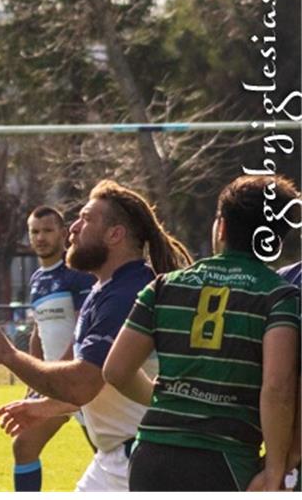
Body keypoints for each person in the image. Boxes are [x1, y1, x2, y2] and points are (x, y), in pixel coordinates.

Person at [0, 180, 194, 492]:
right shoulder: (107, 288)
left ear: (115, 235)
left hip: (144, 459)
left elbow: (83, 383)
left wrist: (9, 355)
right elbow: (96, 385)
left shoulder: (126, 295)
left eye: (86, 219)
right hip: (120, 458)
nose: (72, 228)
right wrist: (45, 407)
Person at [102, 175, 301, 491]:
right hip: (224, 460)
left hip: (151, 455)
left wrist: (173, 398)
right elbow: (278, 387)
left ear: (221, 227)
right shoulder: (278, 297)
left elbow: (115, 371)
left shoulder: (164, 286)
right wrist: (276, 467)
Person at [3, 205, 97, 491]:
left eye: (47, 230)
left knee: (108, 454)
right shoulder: (37, 279)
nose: (41, 237)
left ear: (62, 232)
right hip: (56, 384)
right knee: (24, 446)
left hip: (83, 381)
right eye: (35, 231)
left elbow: (85, 330)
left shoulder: (78, 275)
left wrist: (62, 373)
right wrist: (36, 377)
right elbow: (38, 331)